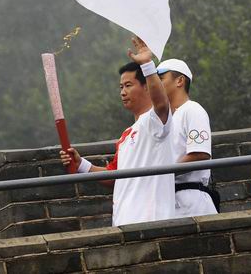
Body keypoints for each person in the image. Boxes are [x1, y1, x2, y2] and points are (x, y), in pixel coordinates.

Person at [60, 36, 175, 226]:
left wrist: (147, 64)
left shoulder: (154, 122)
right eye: (121, 87)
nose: (122, 92)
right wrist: (81, 164)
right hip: (124, 220)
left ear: (147, 88)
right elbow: (113, 176)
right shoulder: (127, 135)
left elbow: (162, 104)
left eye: (128, 86)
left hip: (152, 220)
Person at [156, 59, 218, 217]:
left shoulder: (193, 110)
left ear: (179, 81)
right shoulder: (164, 119)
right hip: (169, 199)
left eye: (161, 78)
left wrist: (163, 173)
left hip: (191, 197)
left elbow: (200, 154)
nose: (155, 84)